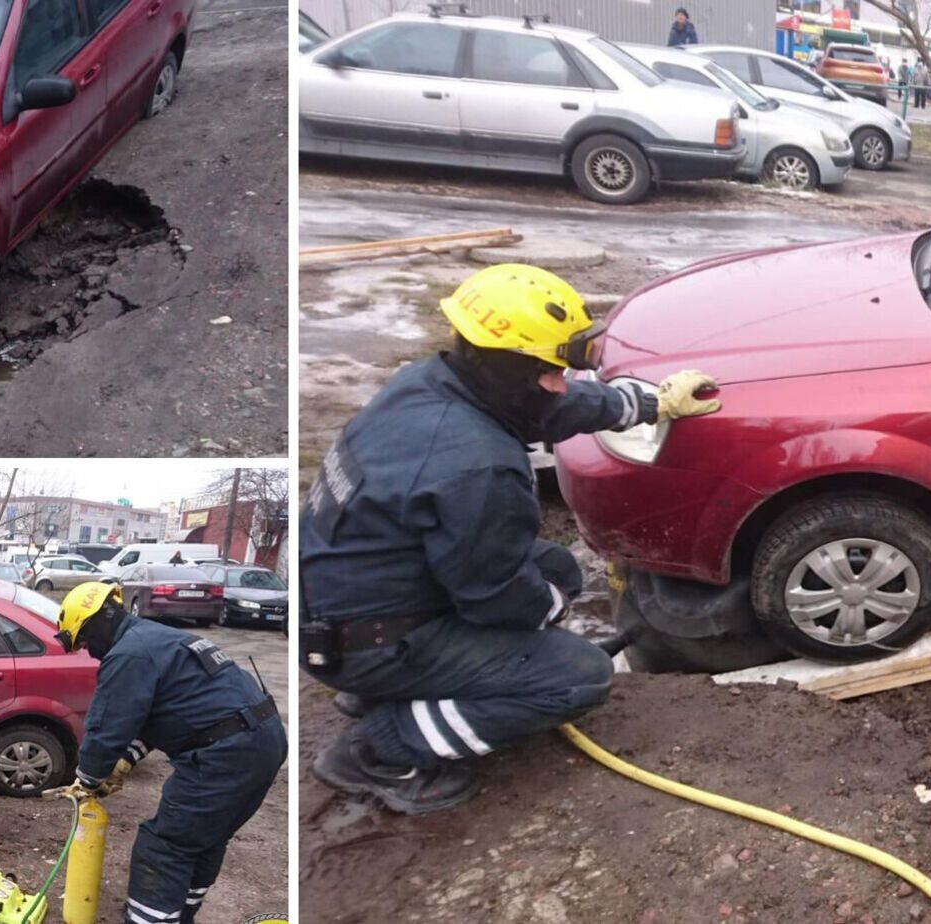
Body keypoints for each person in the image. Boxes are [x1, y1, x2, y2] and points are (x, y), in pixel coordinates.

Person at [299, 264, 722, 815]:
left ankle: (393, 688)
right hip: (369, 640)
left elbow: (550, 404)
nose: (560, 382)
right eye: (550, 372)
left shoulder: (431, 384)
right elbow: (494, 598)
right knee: (574, 680)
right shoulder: (475, 467)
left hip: (352, 601)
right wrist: (547, 619)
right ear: (511, 370)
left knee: (557, 570)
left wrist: (645, 405)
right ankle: (380, 749)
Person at [49, 582, 285, 924]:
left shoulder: (128, 654)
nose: (87, 650)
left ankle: (151, 918)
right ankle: (179, 913)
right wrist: (127, 758)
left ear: (94, 624)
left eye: (83, 641)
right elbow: (164, 713)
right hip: (263, 740)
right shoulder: (157, 637)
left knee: (164, 847)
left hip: (226, 754)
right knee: (204, 838)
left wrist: (87, 779)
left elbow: (106, 727)